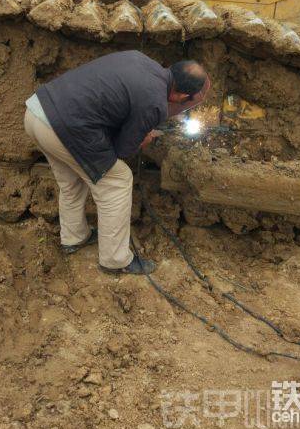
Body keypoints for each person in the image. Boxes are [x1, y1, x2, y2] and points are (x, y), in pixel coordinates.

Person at [24, 51, 210, 275]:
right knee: (118, 179)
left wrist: (139, 126)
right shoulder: (154, 103)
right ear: (182, 97)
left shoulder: (140, 58)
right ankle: (115, 260)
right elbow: (122, 150)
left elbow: (113, 104)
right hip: (63, 128)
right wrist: (143, 137)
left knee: (72, 180)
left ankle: (74, 238)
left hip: (37, 113)